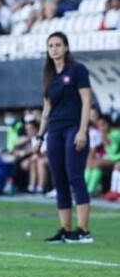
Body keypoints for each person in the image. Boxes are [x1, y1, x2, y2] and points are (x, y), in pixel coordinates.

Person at [36, 32, 93, 244]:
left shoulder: (78, 70)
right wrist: (40, 136)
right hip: (55, 130)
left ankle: (83, 230)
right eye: (50, 45)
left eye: (58, 45)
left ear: (66, 47)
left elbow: (86, 101)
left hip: (73, 127)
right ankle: (66, 229)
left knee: (75, 177)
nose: (54, 49)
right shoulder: (49, 76)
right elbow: (46, 109)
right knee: (59, 180)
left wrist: (82, 130)